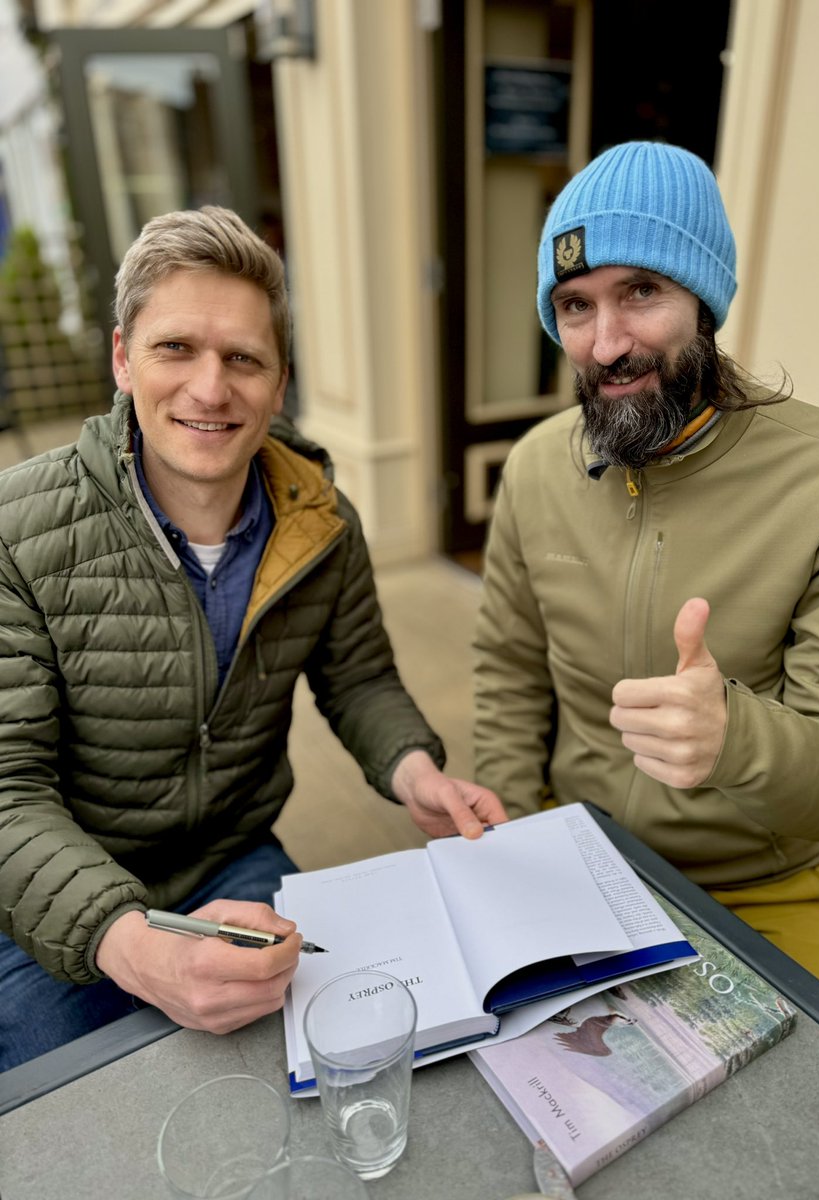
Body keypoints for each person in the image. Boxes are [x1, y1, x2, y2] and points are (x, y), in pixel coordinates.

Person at [0, 206, 505, 1071]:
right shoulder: (17, 532)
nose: (210, 388)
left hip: (232, 859)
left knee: (327, 1068)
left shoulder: (321, 523)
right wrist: (130, 945)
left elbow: (360, 680)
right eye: (175, 349)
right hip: (52, 887)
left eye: (243, 358)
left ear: (279, 383)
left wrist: (411, 769)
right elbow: (7, 793)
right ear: (122, 359)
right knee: (80, 1119)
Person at [473, 141, 819, 1007]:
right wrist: (510, 823)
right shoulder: (532, 467)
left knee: (803, 1127)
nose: (608, 342)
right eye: (575, 305)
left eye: (642, 292)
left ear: (704, 298)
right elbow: (510, 671)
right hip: (576, 857)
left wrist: (734, 739)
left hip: (764, 887)